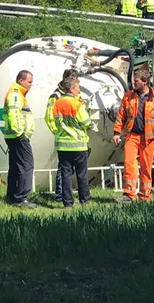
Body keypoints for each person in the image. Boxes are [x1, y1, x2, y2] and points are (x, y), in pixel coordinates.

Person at [112, 68, 154, 203]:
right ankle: (129, 195)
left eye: (136, 81)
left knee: (146, 168)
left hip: (149, 138)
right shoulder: (128, 96)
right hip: (132, 136)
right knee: (129, 164)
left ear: (145, 82)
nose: (133, 83)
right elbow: (121, 115)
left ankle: (145, 196)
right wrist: (116, 132)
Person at [51, 75, 95, 207]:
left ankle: (68, 203)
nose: (79, 90)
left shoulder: (57, 103)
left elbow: (55, 120)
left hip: (62, 145)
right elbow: (85, 122)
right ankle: (84, 200)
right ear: (72, 88)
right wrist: (91, 125)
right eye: (78, 87)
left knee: (66, 174)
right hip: (78, 145)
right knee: (81, 174)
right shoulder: (77, 103)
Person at [2, 70, 37, 209]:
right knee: (26, 165)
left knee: (16, 166)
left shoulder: (17, 93)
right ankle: (21, 198)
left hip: (12, 136)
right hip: (18, 136)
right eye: (29, 82)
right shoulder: (16, 94)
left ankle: (12, 196)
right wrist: (20, 133)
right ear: (21, 80)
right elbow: (13, 114)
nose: (31, 85)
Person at [45, 68, 79, 202]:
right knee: (63, 168)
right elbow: (49, 117)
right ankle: (61, 195)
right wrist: (58, 131)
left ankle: (67, 194)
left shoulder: (75, 94)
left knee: (72, 168)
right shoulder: (56, 96)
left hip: (77, 138)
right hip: (65, 137)